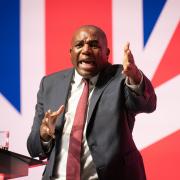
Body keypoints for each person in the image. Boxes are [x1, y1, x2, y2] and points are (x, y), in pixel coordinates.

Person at [27, 25, 156, 180]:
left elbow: (147, 105)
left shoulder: (121, 77)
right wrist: (44, 135)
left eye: (94, 45)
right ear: (70, 53)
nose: (86, 50)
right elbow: (33, 148)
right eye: (79, 45)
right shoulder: (50, 84)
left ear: (107, 53)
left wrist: (135, 77)